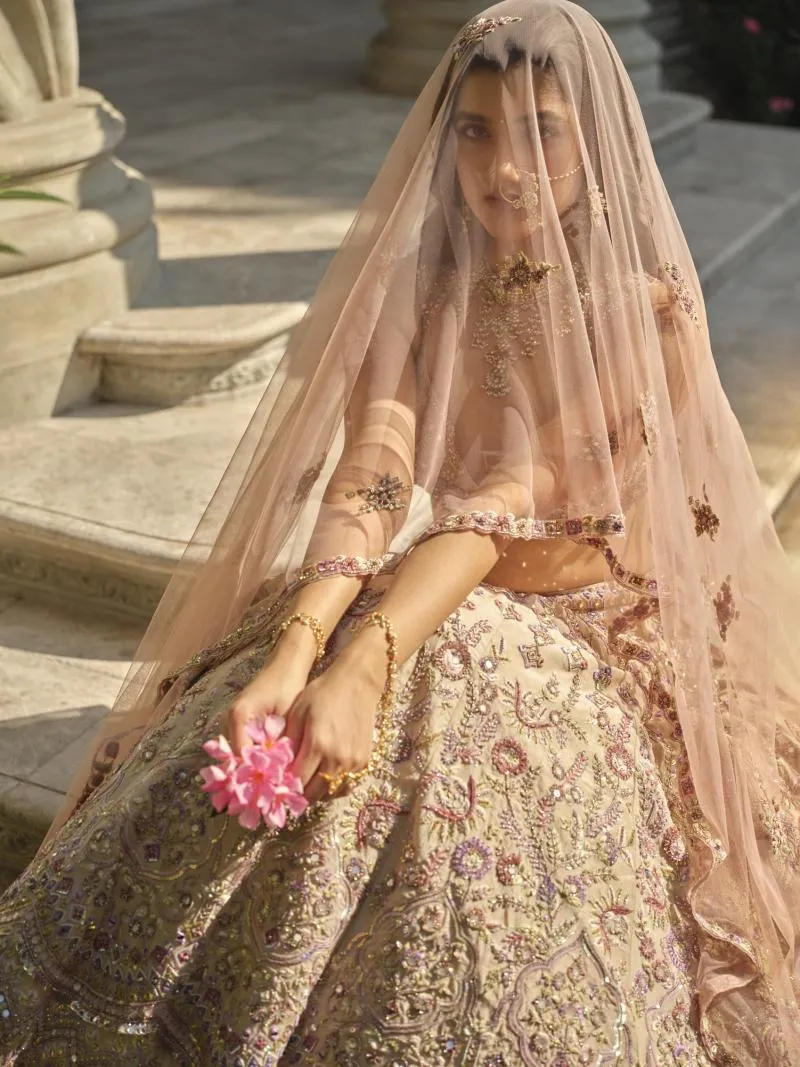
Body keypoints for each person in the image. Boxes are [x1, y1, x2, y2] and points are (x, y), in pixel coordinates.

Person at [1, 0, 799, 1063]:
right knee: (269, 687)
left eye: (537, 131)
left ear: (593, 140)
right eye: (474, 130)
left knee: (439, 676)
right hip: (434, 575)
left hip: (579, 612)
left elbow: (509, 493)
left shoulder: (638, 302)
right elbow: (376, 471)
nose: (501, 166)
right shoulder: (418, 280)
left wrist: (370, 654)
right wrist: (302, 638)